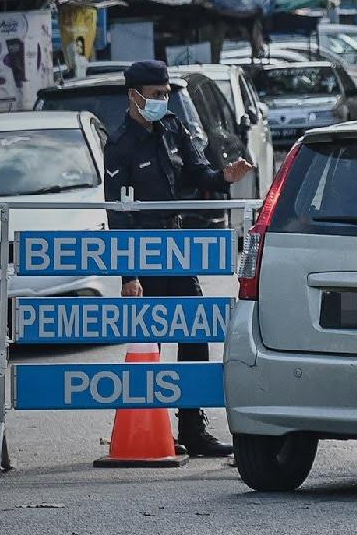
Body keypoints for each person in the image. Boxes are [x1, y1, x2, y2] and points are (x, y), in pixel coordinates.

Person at [103, 60, 254, 458]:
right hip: (143, 247)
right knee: (148, 339)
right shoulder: (120, 145)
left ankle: (193, 427)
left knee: (193, 329)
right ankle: (152, 426)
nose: (162, 100)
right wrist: (127, 274)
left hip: (176, 244)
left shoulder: (172, 127)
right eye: (155, 95)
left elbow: (198, 172)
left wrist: (225, 176)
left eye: (166, 94)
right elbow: (118, 213)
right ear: (134, 96)